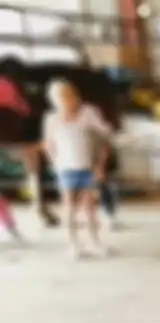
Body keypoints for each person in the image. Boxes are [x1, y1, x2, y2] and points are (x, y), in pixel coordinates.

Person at [41, 78, 112, 259]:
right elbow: (49, 145)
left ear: (76, 97)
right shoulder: (52, 119)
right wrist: (55, 165)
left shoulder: (88, 113)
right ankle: (73, 244)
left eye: (70, 96)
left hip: (86, 166)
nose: (67, 101)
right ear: (55, 100)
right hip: (66, 168)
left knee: (89, 207)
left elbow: (104, 131)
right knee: (70, 207)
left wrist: (100, 161)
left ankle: (95, 242)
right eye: (62, 98)